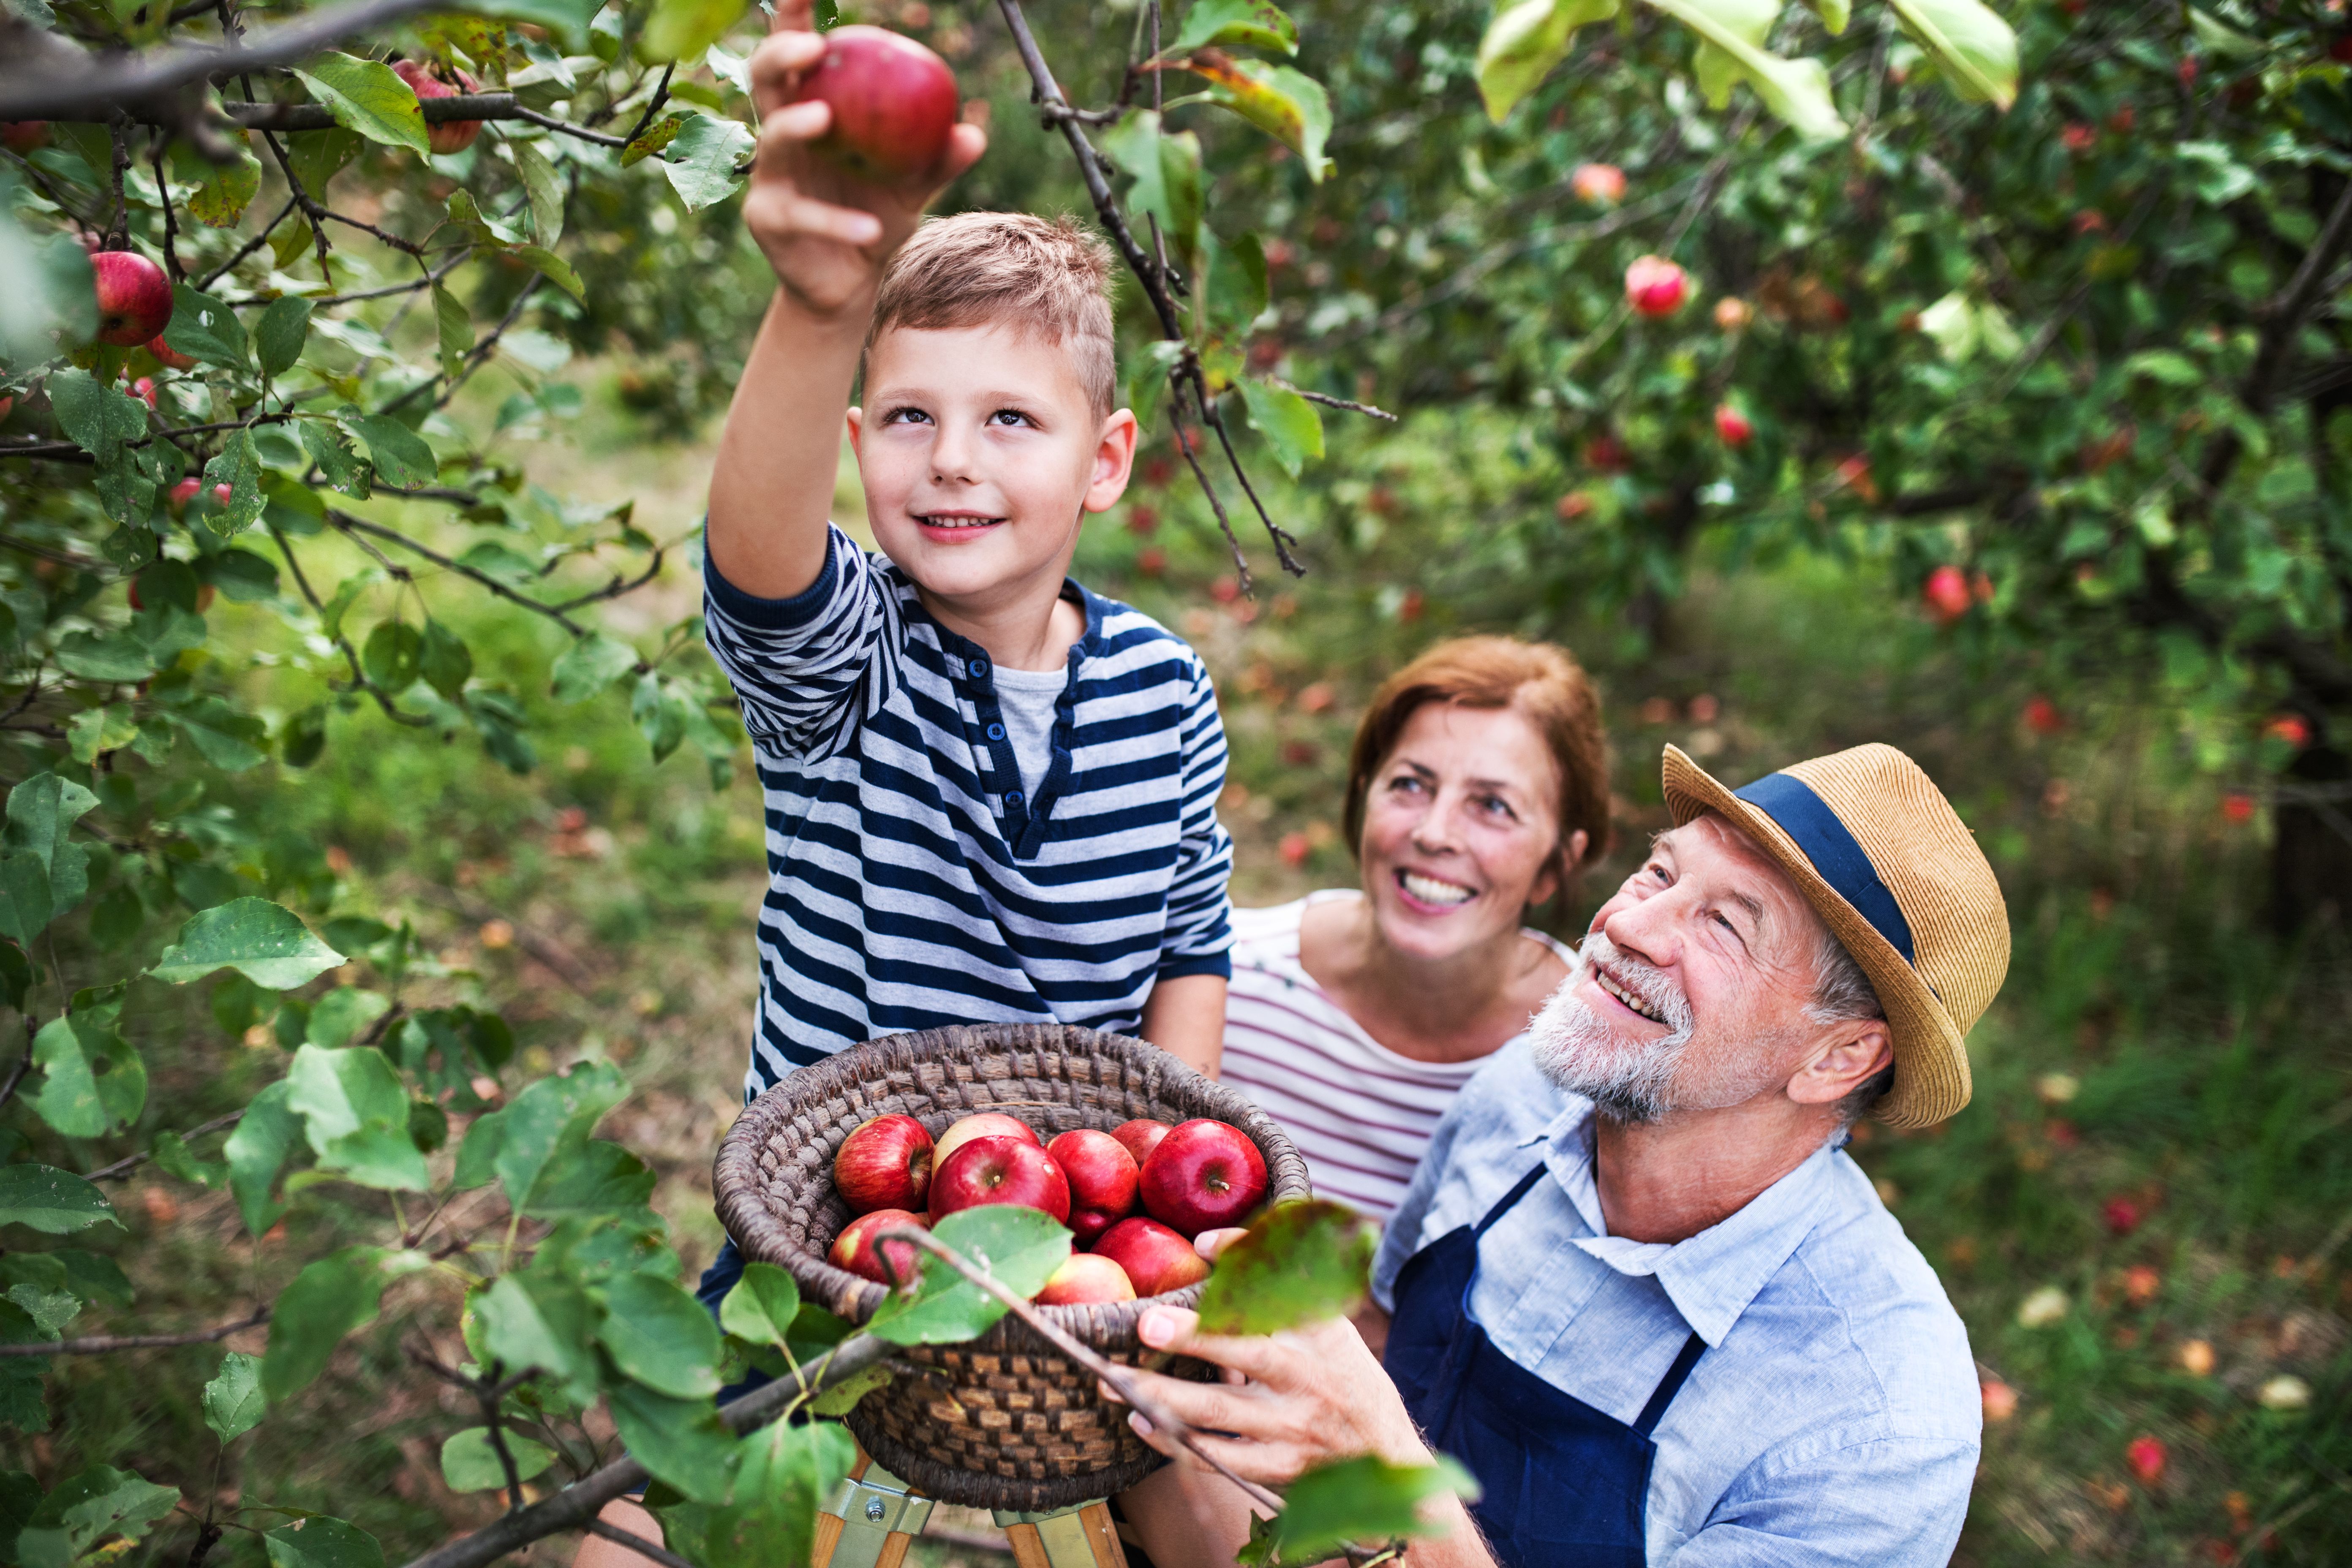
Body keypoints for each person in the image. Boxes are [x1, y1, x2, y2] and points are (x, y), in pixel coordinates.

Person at [582, 4, 1235, 1559]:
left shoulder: (1159, 690)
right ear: (861, 441)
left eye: (1009, 421)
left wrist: (1174, 1203)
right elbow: (759, 566)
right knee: (630, 1525)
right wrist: (820, 311)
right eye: (913, 421)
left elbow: (1187, 945)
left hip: (1069, 1237)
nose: (952, 460)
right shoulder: (852, 662)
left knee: (1207, 1501)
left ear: (1106, 459)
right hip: (820, 1235)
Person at [1116, 741, 2008, 1568]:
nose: (1631, 925)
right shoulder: (1523, 1090)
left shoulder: (1877, 1422)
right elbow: (1384, 1332)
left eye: (1727, 926)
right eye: (1658, 870)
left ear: (1837, 1057)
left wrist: (1382, 1457)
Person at [1220, 637, 1608, 1230]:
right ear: (1363, 795)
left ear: (1558, 863)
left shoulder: (1594, 1064)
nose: (1434, 832)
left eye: (1493, 806)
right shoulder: (1228, 978)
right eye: (1410, 785)